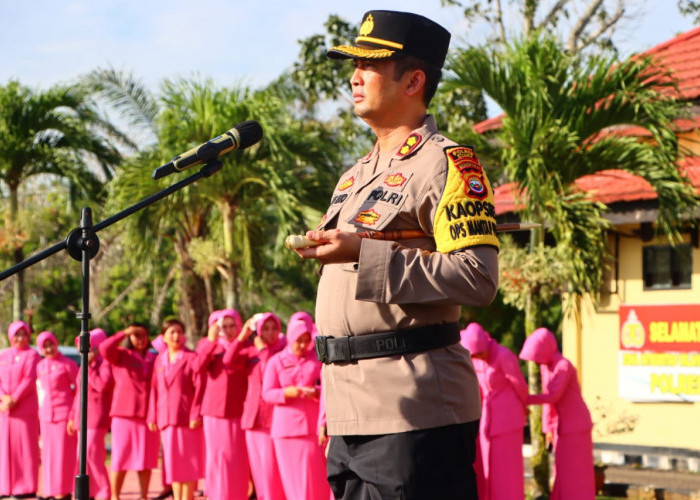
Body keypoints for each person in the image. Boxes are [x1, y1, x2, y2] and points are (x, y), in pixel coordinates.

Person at [294, 10, 499, 499]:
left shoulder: (448, 164)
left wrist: (363, 254)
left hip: (415, 407)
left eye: (369, 65)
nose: (354, 76)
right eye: (353, 65)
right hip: (349, 408)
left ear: (414, 80)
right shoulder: (353, 176)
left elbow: (476, 277)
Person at [519, 327, 595, 500]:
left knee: (576, 471)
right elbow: (549, 403)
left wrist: (524, 399)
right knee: (562, 469)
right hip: (561, 426)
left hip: (576, 427)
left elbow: (553, 396)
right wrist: (548, 429)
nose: (536, 363)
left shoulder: (563, 366)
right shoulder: (547, 367)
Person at [262, 315, 330, 500]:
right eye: (299, 341)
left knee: (315, 479)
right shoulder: (276, 361)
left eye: (306, 342)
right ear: (291, 337)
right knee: (292, 481)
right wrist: (286, 393)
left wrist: (315, 391)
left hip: (312, 429)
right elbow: (266, 393)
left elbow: (326, 386)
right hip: (286, 432)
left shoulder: (315, 360)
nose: (302, 345)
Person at [461, 322, 528, 500]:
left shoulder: (504, 356)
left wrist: (525, 407)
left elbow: (520, 385)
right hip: (487, 422)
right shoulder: (474, 358)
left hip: (508, 421)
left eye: (480, 353)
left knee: (506, 471)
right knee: (488, 469)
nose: (479, 357)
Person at [225, 312, 287, 500]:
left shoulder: (282, 351)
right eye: (265, 329)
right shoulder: (251, 350)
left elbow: (270, 369)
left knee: (273, 470)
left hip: (273, 420)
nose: (270, 333)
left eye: (273, 328)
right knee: (260, 472)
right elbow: (228, 361)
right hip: (253, 419)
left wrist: (262, 350)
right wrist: (242, 336)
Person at [193, 309, 250, 500]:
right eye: (222, 326)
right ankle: (217, 495)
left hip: (239, 410)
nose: (228, 330)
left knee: (237, 459)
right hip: (214, 412)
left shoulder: (246, 346)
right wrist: (210, 341)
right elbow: (197, 368)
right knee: (218, 458)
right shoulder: (207, 345)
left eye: (232, 325)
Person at [99, 323, 159, 500]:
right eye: (136, 335)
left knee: (146, 459)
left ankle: (143, 495)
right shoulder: (121, 355)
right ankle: (115, 496)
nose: (140, 339)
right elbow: (104, 348)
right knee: (120, 458)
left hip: (147, 415)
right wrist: (123, 333)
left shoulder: (153, 358)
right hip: (124, 414)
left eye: (143, 335)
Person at [148, 318, 204, 500]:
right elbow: (154, 389)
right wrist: (152, 416)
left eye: (179, 332)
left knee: (187, 464)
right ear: (163, 337)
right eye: (171, 332)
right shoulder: (160, 360)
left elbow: (200, 387)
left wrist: (196, 413)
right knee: (172, 465)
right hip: (166, 419)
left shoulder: (191, 358)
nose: (176, 336)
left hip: (186, 418)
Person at [67, 327, 114, 500]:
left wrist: (90, 368)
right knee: (83, 458)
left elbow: (103, 385)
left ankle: (104, 491)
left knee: (93, 454)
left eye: (91, 346)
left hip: (96, 417)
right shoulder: (84, 365)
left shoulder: (105, 363)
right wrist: (72, 417)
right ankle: (90, 492)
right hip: (81, 418)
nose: (87, 350)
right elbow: (78, 393)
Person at [36, 330, 79, 500]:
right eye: (44, 346)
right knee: (48, 455)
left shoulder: (67, 363)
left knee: (64, 455)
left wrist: (73, 416)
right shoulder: (40, 366)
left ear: (56, 343)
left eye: (50, 344)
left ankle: (64, 491)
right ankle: (51, 492)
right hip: (46, 416)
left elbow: (78, 390)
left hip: (64, 414)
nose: (48, 349)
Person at [0, 321, 41, 499]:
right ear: (10, 336)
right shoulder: (3, 355)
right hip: (5, 410)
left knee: (25, 449)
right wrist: (3, 398)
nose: (20, 338)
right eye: (17, 334)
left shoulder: (32, 355)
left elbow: (29, 379)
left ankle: (25, 487)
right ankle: (5, 487)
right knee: (5, 448)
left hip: (24, 410)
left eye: (24, 334)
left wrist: (14, 398)